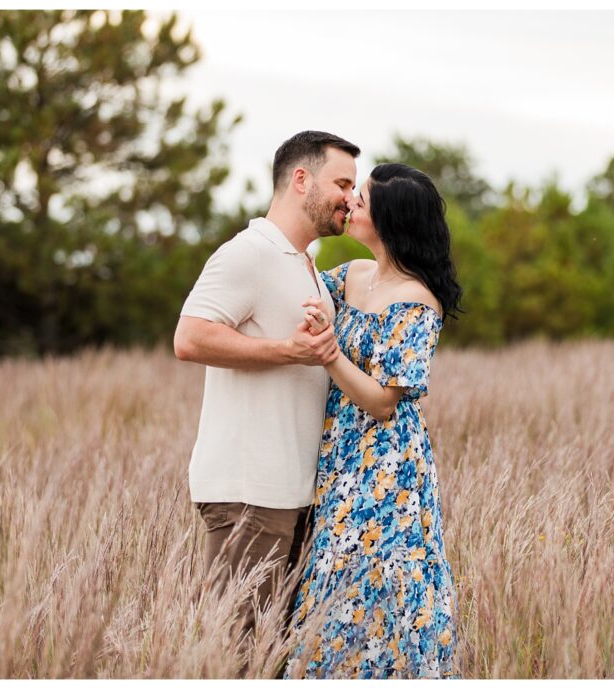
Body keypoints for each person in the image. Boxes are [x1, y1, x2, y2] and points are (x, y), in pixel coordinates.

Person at [173, 131, 359, 648]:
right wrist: (287, 351)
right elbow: (189, 338)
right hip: (248, 496)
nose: (351, 196)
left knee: (269, 661)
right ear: (301, 180)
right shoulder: (249, 253)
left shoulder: (308, 268)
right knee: (235, 659)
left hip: (292, 499)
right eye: (342, 182)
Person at [284, 163, 463, 679]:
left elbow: (385, 401)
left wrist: (329, 353)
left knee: (378, 579)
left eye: (362, 198)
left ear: (390, 219)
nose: (351, 204)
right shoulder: (355, 275)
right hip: (338, 455)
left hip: (387, 466)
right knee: (330, 577)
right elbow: (311, 290)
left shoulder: (416, 299)